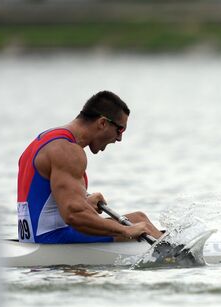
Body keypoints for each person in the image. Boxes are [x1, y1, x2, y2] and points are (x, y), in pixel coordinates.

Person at [17, 91, 163, 243]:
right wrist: (126, 230)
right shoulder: (67, 151)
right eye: (120, 130)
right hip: (50, 239)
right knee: (139, 219)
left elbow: (47, 203)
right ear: (102, 123)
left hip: (32, 238)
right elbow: (73, 215)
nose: (120, 138)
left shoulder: (43, 141)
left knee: (137, 221)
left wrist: (84, 202)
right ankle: (178, 259)